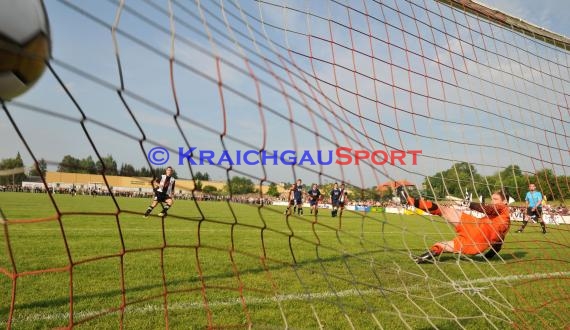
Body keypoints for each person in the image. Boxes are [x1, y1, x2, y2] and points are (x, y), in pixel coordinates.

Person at [413, 190, 511, 264]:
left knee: (443, 210)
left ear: (505, 201)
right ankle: (421, 258)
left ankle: (410, 201)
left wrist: (469, 203)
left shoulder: (502, 208)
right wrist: (489, 255)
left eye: (495, 199)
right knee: (442, 245)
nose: (493, 201)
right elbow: (499, 242)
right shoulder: (507, 222)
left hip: (475, 228)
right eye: (492, 199)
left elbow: (487, 209)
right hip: (477, 246)